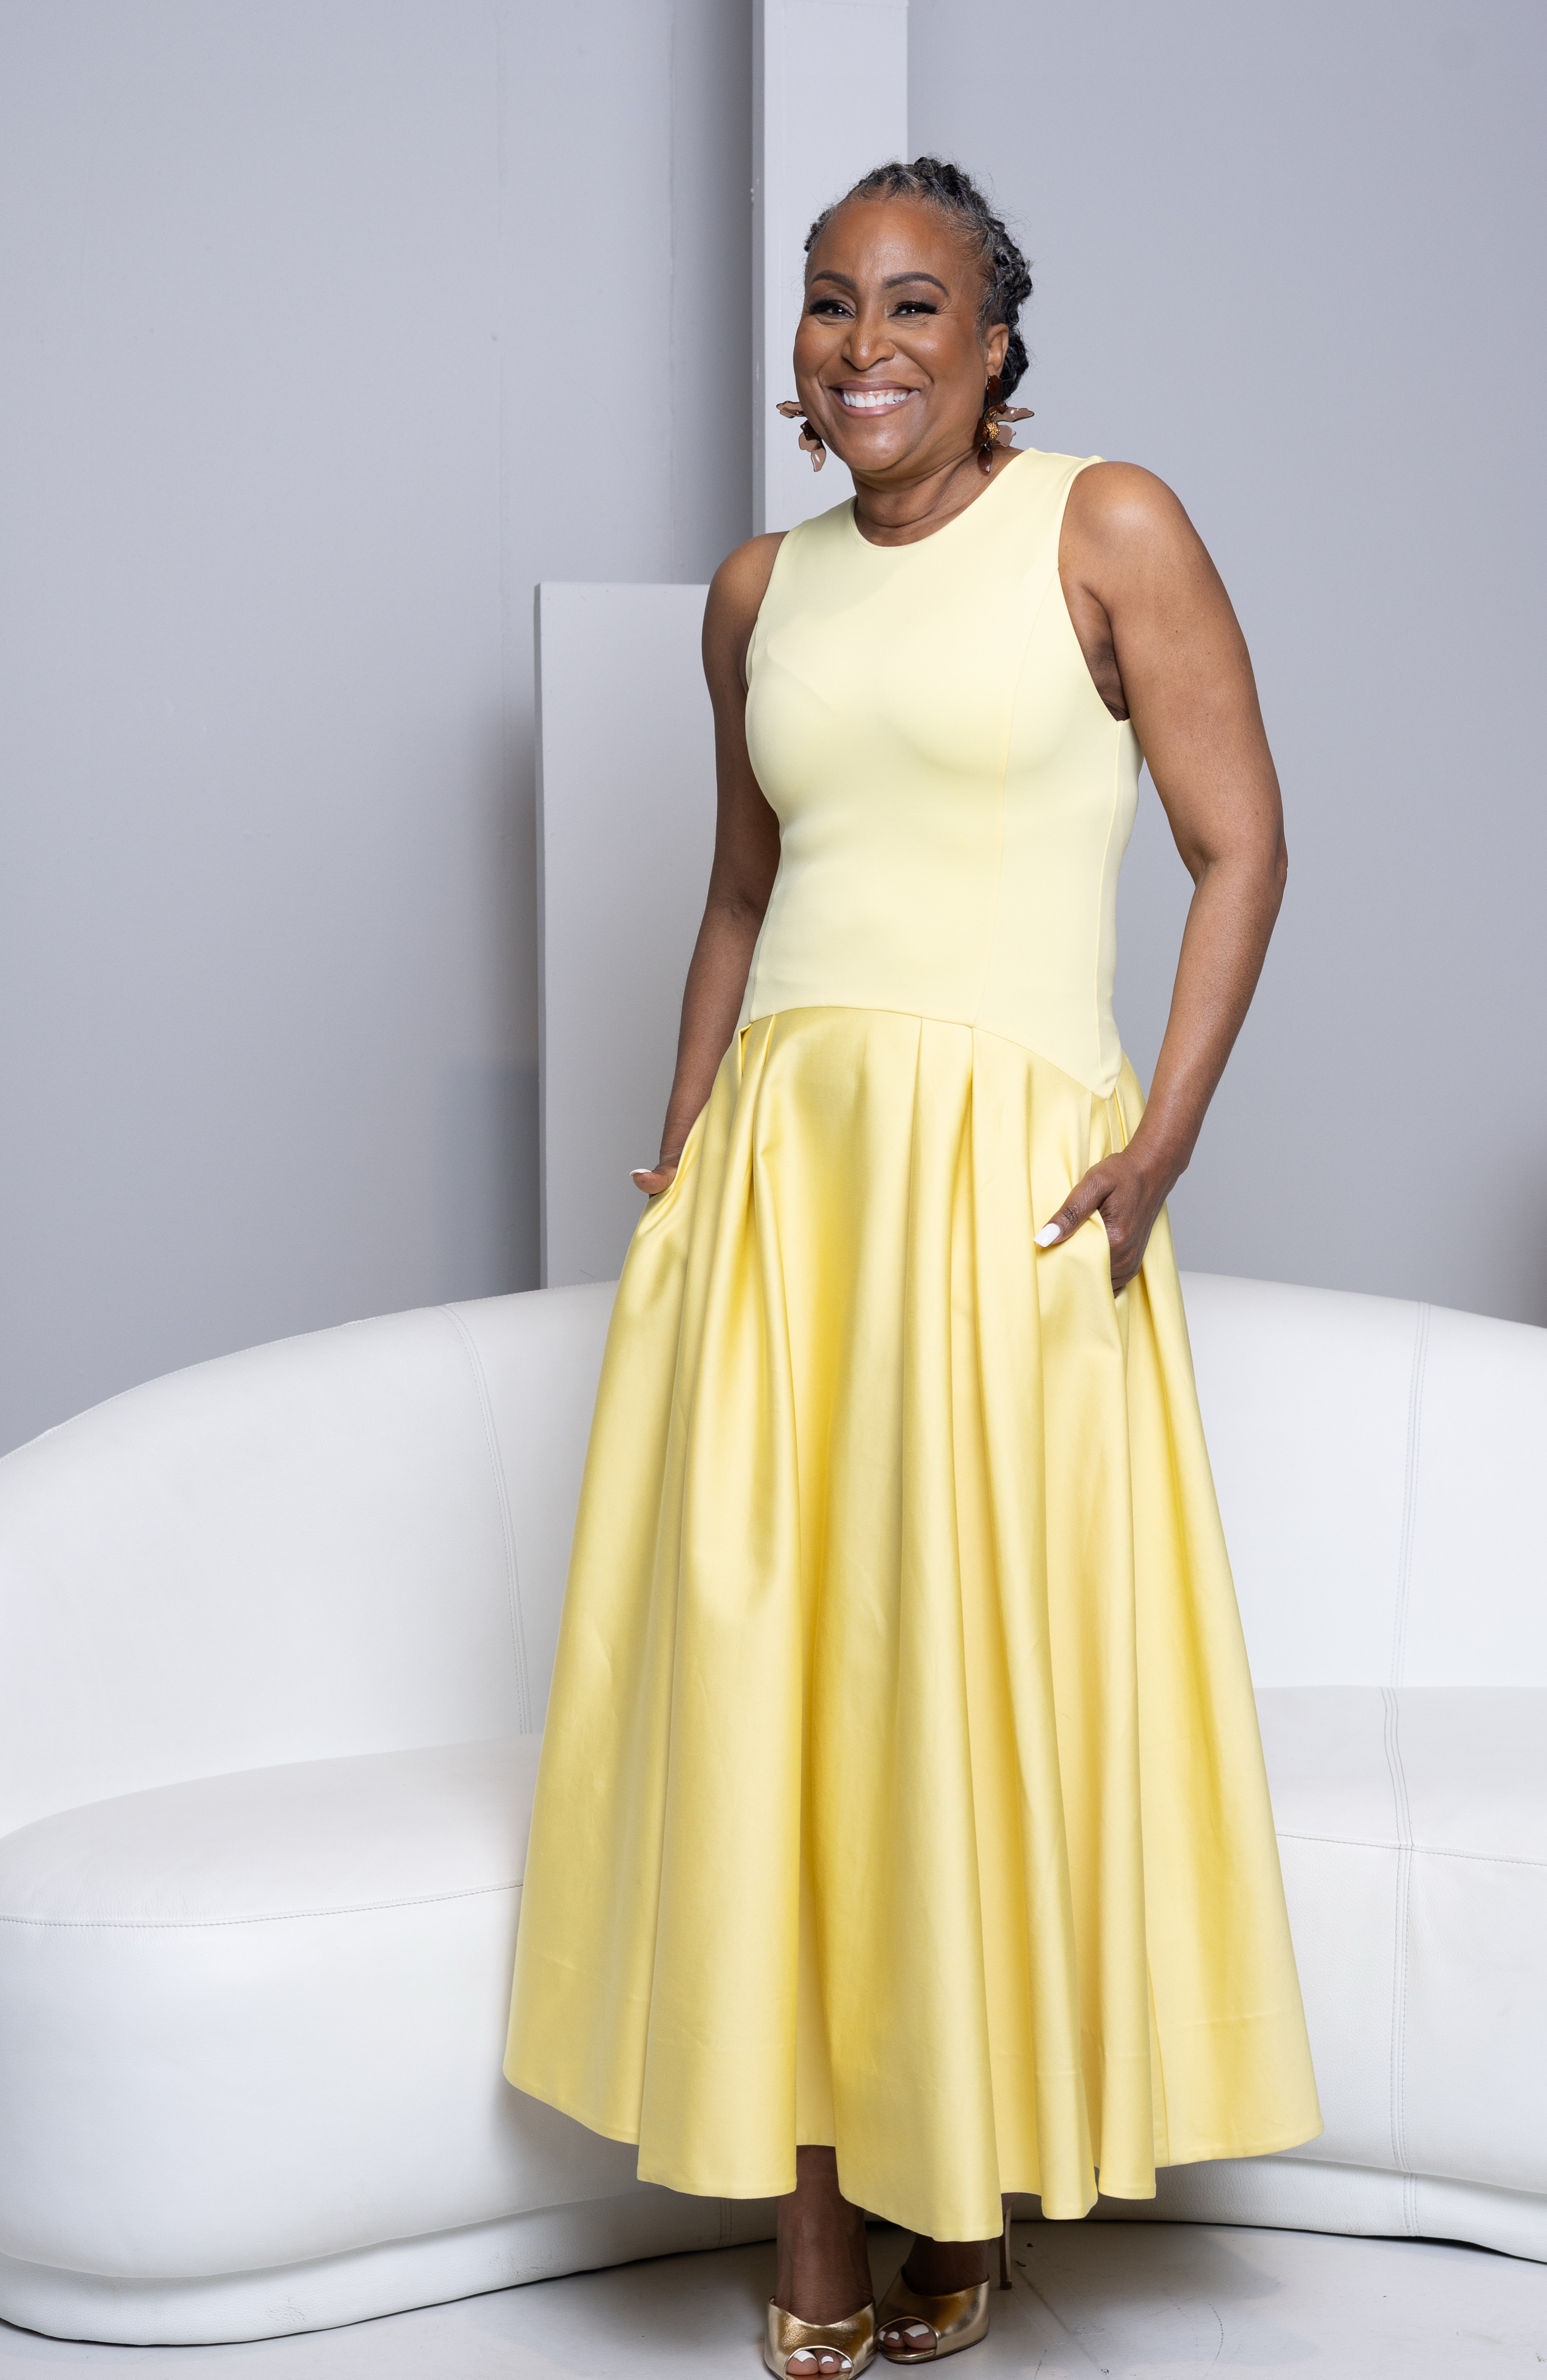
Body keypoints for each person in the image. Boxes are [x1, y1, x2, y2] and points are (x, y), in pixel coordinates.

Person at [504, 157, 1320, 2377]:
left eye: (913, 305)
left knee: (953, 1680)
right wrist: (685, 1145)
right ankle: (809, 2221)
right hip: (785, 1190)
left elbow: (1240, 842)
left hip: (1008, 1188)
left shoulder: (1103, 525)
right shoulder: (753, 592)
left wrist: (1158, 1141)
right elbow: (743, 892)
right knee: (773, 1689)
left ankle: (952, 2179)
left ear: (991, 342)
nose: (863, 344)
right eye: (828, 303)